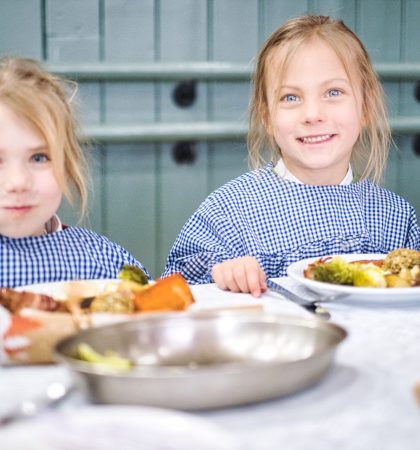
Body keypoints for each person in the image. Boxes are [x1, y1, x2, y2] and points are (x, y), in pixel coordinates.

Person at [162, 15, 420, 296]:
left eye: (333, 92)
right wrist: (222, 272)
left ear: (366, 106)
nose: (312, 115)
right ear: (267, 116)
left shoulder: (395, 216)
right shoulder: (228, 213)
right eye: (290, 98)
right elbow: (173, 288)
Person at [0, 56, 150, 288]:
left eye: (39, 158)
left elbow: (149, 308)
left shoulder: (103, 260)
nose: (18, 182)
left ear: (68, 167)